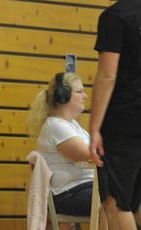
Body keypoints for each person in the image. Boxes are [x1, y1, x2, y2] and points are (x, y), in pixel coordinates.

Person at [88, 0, 141, 230]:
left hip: (124, 121)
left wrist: (94, 127)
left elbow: (107, 75)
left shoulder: (115, 16)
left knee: (114, 199)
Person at [27, 72, 93, 217]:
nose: (85, 96)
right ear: (63, 96)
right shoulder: (56, 126)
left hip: (84, 188)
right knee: (120, 199)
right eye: (80, 91)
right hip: (69, 194)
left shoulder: (72, 124)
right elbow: (88, 155)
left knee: (128, 194)